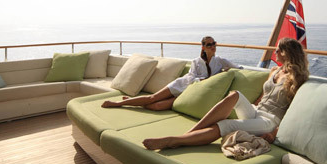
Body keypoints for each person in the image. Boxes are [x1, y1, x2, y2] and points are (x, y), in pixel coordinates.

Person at [142, 37, 309, 150]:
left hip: (269, 121)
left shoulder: (298, 78)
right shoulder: (274, 71)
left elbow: (292, 111)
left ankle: (176, 141)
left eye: (278, 50)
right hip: (256, 111)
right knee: (235, 94)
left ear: (287, 53)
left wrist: (273, 133)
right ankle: (190, 133)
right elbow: (263, 96)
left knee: (226, 125)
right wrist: (252, 106)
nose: (275, 53)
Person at [102, 36, 240, 111]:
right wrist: (204, 80)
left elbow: (239, 68)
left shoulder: (220, 61)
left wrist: (226, 72)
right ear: (203, 47)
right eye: (209, 44)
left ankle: (134, 102)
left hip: (189, 93)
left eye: (214, 43)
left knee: (157, 106)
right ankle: (118, 103)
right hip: (181, 85)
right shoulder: (196, 61)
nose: (213, 46)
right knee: (152, 98)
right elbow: (191, 77)